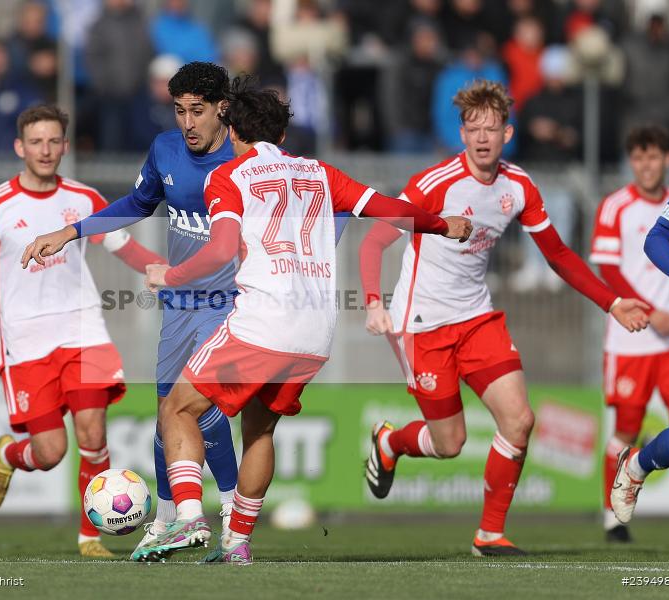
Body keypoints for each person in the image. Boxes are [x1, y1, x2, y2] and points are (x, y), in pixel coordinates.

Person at [132, 79, 472, 564]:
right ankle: (238, 545)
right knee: (260, 432)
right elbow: (390, 209)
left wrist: (172, 275)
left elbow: (223, 249)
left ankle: (186, 522)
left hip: (263, 321)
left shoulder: (228, 177)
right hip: (315, 332)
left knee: (177, 410)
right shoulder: (321, 173)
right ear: (283, 136)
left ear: (232, 131)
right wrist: (442, 224)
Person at [359, 80, 649, 556]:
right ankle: (391, 443)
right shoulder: (434, 185)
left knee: (519, 420)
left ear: (508, 133)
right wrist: (373, 302)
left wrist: (613, 303)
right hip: (421, 325)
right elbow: (374, 242)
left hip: (477, 319)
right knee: (449, 442)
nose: (482, 137)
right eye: (473, 128)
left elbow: (557, 255)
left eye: (491, 128)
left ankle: (489, 533)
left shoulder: (519, 187)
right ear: (462, 133)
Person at [20, 62, 241, 562]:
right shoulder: (165, 149)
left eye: (198, 111)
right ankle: (166, 520)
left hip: (230, 303)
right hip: (179, 306)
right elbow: (137, 203)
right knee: (167, 415)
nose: (187, 123)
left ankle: (228, 512)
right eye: (180, 110)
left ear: (222, 110)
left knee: (196, 410)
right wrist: (69, 231)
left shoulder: (246, 156)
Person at [0, 105, 164, 559]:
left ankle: (91, 538)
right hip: (26, 340)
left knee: (93, 436)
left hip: (83, 329)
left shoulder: (84, 199)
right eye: (36, 142)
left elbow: (119, 243)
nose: (46, 150)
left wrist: (158, 267)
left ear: (65, 147)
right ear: (20, 147)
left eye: (54, 141)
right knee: (50, 451)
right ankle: (11, 455)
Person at [590, 125, 669, 543]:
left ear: (666, 159)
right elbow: (611, 268)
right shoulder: (617, 206)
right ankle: (614, 518)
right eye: (639, 157)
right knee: (640, 429)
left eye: (653, 156)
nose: (647, 165)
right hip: (634, 336)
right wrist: (659, 306)